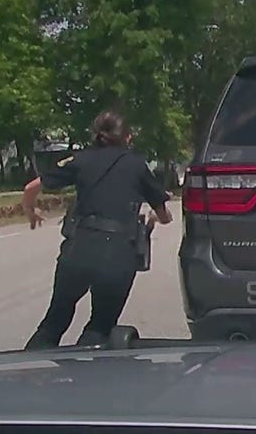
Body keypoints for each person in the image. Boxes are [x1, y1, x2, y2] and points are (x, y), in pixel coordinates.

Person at [22, 110, 173, 350]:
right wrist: (153, 218)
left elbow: (31, 187)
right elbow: (165, 216)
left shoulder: (80, 159)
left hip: (78, 249)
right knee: (100, 327)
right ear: (128, 137)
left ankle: (30, 372)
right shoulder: (137, 164)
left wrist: (31, 211)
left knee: (53, 322)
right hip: (117, 254)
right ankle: (86, 370)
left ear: (97, 135)